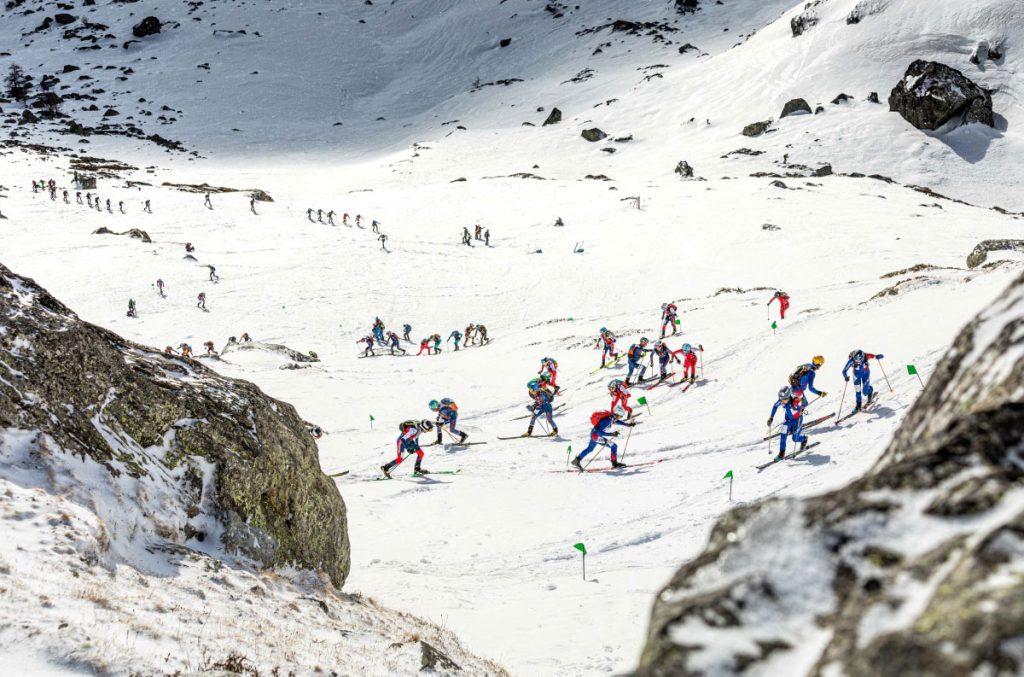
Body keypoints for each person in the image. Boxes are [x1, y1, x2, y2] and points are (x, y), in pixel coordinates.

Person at [571, 410, 636, 469]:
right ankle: (615, 464)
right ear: (616, 415)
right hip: (597, 436)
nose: (620, 418)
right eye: (620, 416)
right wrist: (612, 434)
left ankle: (576, 461)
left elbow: (617, 422)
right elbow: (600, 432)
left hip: (593, 434)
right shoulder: (608, 421)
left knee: (590, 449)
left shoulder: (611, 418)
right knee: (614, 446)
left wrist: (628, 425)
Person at [768, 386, 807, 461]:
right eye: (781, 399)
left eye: (784, 400)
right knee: (783, 436)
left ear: (789, 397)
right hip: (787, 420)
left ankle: (804, 439)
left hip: (797, 420)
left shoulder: (795, 399)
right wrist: (771, 417)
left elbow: (805, 404)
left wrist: (802, 406)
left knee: (795, 438)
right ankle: (781, 453)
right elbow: (775, 406)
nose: (782, 401)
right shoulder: (782, 400)